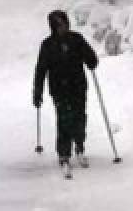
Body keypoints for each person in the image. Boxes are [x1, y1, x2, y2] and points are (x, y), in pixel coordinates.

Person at [33, 9, 99, 172]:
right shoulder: (47, 45)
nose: (62, 27)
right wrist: (37, 91)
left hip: (78, 85)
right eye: (58, 25)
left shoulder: (77, 39)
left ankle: (79, 145)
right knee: (64, 119)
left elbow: (92, 58)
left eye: (64, 24)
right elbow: (41, 69)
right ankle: (63, 153)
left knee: (79, 117)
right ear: (53, 27)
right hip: (59, 88)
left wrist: (91, 60)